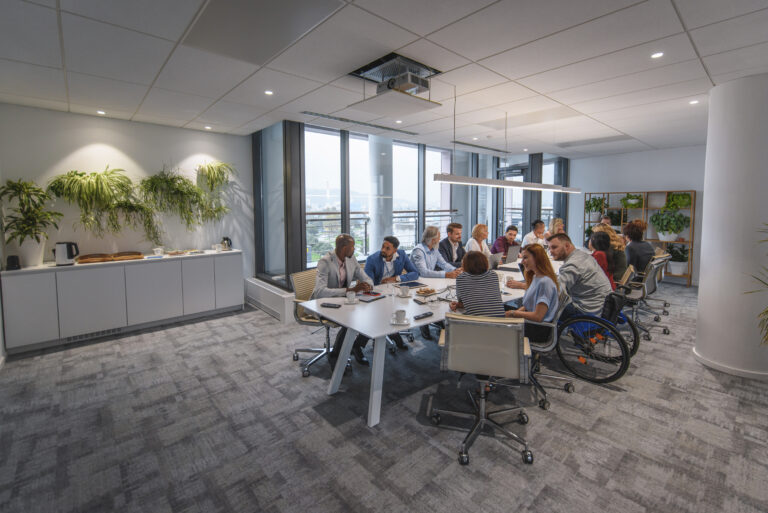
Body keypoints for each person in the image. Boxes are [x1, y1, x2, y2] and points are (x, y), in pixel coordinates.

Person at [311, 234, 374, 366]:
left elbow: (366, 278)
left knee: (372, 313)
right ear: (344, 248)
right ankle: (335, 357)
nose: (354, 249)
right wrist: (349, 291)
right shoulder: (325, 261)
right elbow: (319, 292)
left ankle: (357, 346)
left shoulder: (351, 259)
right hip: (324, 304)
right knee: (350, 321)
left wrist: (368, 285)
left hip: (344, 302)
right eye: (353, 247)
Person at [364, 236, 419, 350]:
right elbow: (368, 283)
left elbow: (415, 273)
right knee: (381, 315)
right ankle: (359, 344)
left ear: (395, 250)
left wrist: (396, 278)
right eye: (383, 246)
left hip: (394, 293)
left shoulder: (402, 255)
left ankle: (394, 335)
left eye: (387, 248)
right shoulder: (372, 259)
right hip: (377, 294)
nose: (383, 250)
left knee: (397, 310)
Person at [412, 226, 462, 339]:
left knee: (443, 296)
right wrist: (446, 274)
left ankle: (436, 318)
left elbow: (443, 264)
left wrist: (454, 270)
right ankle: (423, 325)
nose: (440, 239)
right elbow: (423, 272)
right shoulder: (418, 251)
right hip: (418, 283)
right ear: (433, 239)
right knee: (431, 299)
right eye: (438, 237)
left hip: (430, 281)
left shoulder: (434, 249)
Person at [547, 233, 612, 318]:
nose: (550, 251)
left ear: (567, 246)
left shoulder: (572, 265)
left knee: (544, 308)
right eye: (549, 248)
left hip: (587, 311)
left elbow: (556, 292)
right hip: (602, 306)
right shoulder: (582, 255)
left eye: (554, 247)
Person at [505, 244, 559, 343]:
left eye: (525, 258)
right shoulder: (536, 277)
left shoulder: (544, 282)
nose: (522, 262)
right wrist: (514, 314)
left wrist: (513, 313)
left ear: (537, 258)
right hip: (533, 324)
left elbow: (538, 316)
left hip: (537, 329)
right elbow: (526, 306)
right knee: (501, 311)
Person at [449, 251, 505, 317]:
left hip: (476, 324)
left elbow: (462, 303)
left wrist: (458, 304)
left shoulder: (461, 278)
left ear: (464, 265)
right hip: (500, 322)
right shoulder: (493, 275)